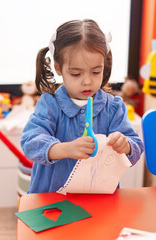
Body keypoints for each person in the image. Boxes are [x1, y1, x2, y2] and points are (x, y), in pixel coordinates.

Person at [21, 19, 144, 193]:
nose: (87, 81)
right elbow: (30, 142)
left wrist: (126, 145)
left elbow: (137, 147)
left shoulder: (113, 107)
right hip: (52, 199)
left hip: (99, 199)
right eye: (76, 73)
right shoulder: (50, 105)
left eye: (96, 72)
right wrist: (64, 149)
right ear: (58, 68)